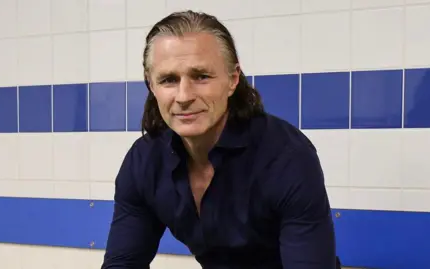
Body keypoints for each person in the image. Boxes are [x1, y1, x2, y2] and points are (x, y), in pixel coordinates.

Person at [101, 10, 338, 269]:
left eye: (201, 76)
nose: (183, 96)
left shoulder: (286, 157)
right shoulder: (144, 161)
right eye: (169, 80)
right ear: (151, 85)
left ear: (232, 79)